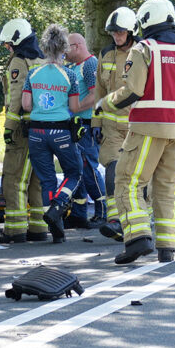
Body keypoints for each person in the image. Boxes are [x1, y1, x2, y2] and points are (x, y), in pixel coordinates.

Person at [97, 0, 175, 264]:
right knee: (168, 188)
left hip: (146, 130)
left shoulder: (144, 49)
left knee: (128, 181)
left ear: (145, 21)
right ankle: (167, 247)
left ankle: (137, 239)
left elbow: (132, 90)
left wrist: (104, 104)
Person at [22, 24, 83, 244]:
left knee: (46, 179)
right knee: (74, 172)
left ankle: (57, 230)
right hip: (61, 131)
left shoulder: (32, 73)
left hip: (36, 132)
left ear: (45, 48)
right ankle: (58, 205)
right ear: (64, 48)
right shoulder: (69, 75)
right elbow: (75, 108)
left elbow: (26, 105)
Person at [0, 17, 48, 244]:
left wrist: (9, 127)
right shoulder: (44, 60)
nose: (8, 48)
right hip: (45, 128)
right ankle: (38, 227)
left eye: (9, 44)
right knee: (37, 179)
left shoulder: (19, 61)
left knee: (14, 179)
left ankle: (15, 230)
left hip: (23, 129)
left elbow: (16, 97)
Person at [92, 7, 138, 240]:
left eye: (120, 32)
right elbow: (100, 90)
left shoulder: (142, 53)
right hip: (110, 126)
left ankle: (137, 220)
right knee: (113, 169)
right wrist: (95, 122)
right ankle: (114, 219)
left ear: (131, 31)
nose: (116, 36)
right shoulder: (106, 54)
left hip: (136, 125)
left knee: (135, 175)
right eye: (113, 33)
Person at [65, 32, 105, 228]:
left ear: (78, 46)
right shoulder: (74, 67)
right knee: (76, 169)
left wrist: (75, 108)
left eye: (67, 47)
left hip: (86, 125)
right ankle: (79, 212)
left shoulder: (90, 64)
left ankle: (102, 211)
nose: (65, 52)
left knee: (89, 168)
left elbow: (95, 94)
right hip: (75, 124)